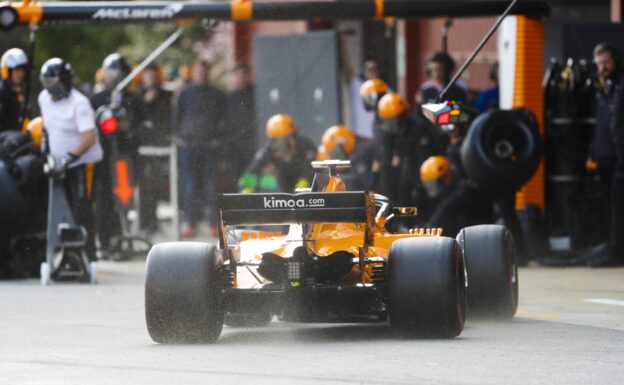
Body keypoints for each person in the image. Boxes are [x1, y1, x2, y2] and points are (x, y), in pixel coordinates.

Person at [38, 58, 103, 262]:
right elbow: (47, 127)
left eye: (52, 82)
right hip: (57, 164)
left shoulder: (79, 103)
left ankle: (88, 254)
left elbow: (89, 137)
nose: (48, 87)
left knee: (81, 207)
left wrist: (69, 157)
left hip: (81, 163)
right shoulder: (44, 99)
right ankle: (64, 252)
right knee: (58, 208)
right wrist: (45, 148)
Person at [90, 53, 138, 256]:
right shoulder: (98, 98)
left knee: (123, 200)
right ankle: (104, 241)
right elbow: (92, 127)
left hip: (124, 158)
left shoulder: (133, 99)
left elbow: (139, 128)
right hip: (103, 159)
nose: (114, 77)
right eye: (110, 73)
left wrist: (125, 118)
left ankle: (121, 240)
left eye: (118, 73)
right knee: (103, 201)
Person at [173, 61, 227, 238]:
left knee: (211, 186)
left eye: (204, 72)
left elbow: (225, 120)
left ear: (208, 73)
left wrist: (219, 139)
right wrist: (179, 138)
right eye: (198, 72)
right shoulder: (186, 93)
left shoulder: (217, 95)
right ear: (193, 73)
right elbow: (177, 117)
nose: (201, 75)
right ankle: (190, 223)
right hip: (189, 146)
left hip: (210, 146)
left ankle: (213, 223)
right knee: (190, 186)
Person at [584, 42, 624, 266]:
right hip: (605, 156)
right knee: (609, 205)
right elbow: (600, 125)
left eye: (606, 63)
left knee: (618, 204)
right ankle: (612, 246)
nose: (602, 68)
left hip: (620, 157)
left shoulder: (619, 86)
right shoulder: (604, 89)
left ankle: (616, 251)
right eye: (599, 64)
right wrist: (593, 152)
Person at [133, 65, 172, 234]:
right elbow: (136, 118)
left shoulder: (164, 95)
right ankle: (143, 221)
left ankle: (153, 221)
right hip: (142, 147)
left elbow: (167, 118)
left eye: (153, 76)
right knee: (143, 187)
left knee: (156, 185)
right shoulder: (137, 95)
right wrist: (145, 102)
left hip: (159, 146)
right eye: (147, 76)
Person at [239, 114, 316, 194]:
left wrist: (301, 189)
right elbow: (252, 171)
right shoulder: (269, 150)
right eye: (274, 141)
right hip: (284, 187)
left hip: (307, 190)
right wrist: (246, 190)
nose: (279, 146)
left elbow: (309, 171)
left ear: (293, 137)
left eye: (283, 141)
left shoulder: (306, 146)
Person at [227, 63, 257, 178]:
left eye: (242, 75)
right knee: (237, 173)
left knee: (253, 172)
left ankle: (253, 195)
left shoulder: (255, 94)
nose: (240, 78)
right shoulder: (231, 97)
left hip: (252, 141)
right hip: (236, 143)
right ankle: (241, 194)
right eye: (237, 75)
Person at [344, 59, 381, 141]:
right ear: (364, 72)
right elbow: (347, 70)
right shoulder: (357, 86)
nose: (372, 72)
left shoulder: (382, 89)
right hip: (360, 138)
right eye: (369, 70)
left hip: (376, 139)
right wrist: (342, 48)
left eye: (375, 70)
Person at [0, 48, 29, 133]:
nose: (21, 74)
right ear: (7, 71)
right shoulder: (2, 93)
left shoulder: (16, 94)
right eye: (17, 70)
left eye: (23, 70)